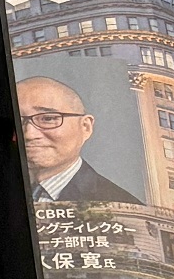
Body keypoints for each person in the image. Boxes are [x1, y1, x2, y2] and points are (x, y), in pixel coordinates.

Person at [20, 73, 142, 205]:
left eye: (48, 119)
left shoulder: (120, 202)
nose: (29, 134)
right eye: (16, 120)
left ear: (85, 127)